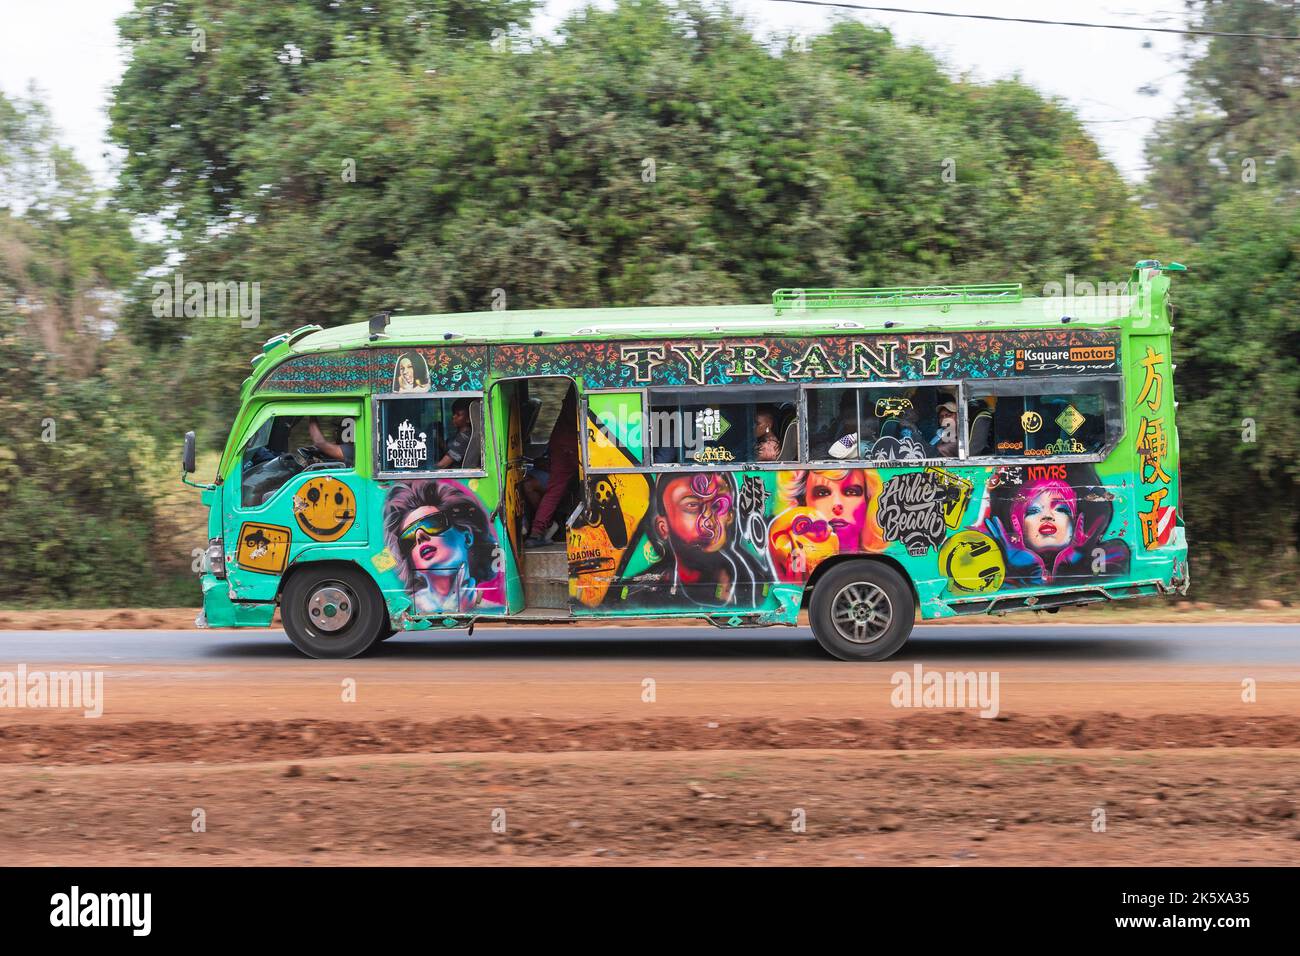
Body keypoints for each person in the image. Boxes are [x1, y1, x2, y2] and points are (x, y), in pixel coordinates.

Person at [525, 386, 579, 547]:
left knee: (554, 491)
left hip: (561, 443)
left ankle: (536, 533)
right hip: (578, 442)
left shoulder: (571, 391)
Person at [435, 398, 474, 469]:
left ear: (468, 419)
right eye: (453, 413)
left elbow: (442, 465)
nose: (453, 417)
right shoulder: (460, 435)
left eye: (458, 415)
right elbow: (451, 450)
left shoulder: (464, 438)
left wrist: (426, 468)